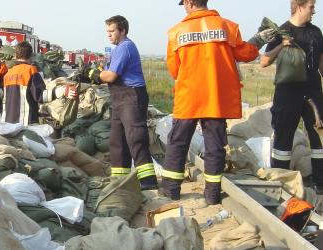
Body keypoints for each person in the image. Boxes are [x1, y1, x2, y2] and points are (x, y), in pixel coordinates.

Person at [162, 0, 276, 204]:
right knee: (214, 146)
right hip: (216, 97)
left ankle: (171, 192)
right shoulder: (227, 27)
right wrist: (259, 39)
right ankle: (212, 195)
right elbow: (246, 53)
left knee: (178, 143)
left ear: (188, 2)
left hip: (189, 97)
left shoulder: (176, 32)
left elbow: (174, 68)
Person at [261, 0, 323, 192]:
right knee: (283, 139)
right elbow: (264, 61)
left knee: (318, 138)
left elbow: (321, 62)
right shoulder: (282, 32)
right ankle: (282, 183)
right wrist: (282, 46)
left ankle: (320, 182)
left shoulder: (316, 32)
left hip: (313, 92)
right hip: (287, 94)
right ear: (299, 7)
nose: (314, 10)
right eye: (311, 6)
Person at [93, 15, 158, 190]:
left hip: (131, 96)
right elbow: (107, 73)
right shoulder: (117, 49)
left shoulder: (125, 47)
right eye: (107, 31)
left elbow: (111, 75)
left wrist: (94, 75)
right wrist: (97, 74)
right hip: (120, 97)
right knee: (118, 139)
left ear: (122, 30)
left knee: (135, 137)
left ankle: (148, 180)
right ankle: (120, 180)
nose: (109, 35)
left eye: (112, 31)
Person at [2, 41, 77, 125]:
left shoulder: (8, 74)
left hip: (8, 122)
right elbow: (41, 96)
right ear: (31, 56)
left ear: (15, 55)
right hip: (25, 122)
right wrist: (62, 91)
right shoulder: (30, 71)